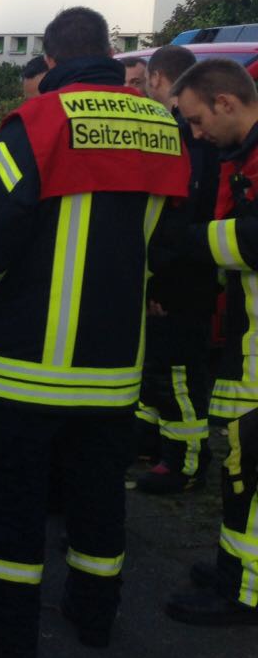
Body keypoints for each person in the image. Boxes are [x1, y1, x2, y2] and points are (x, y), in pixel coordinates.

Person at [0, 7, 190, 658]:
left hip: (25, 364)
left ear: (48, 61)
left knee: (15, 502)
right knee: (99, 500)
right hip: (114, 367)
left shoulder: (38, 124)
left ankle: (5, 625)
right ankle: (94, 613)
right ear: (108, 52)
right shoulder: (161, 125)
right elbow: (170, 246)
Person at [162, 58, 258, 626]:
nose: (195, 135)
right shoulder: (241, 156)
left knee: (252, 471)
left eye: (197, 122)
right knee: (240, 469)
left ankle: (244, 593)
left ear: (225, 103)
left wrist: (187, 241)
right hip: (245, 340)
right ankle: (232, 566)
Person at [136, 45, 218, 494]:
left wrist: (162, 275)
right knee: (163, 372)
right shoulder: (187, 136)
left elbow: (181, 218)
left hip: (184, 281)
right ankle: (155, 445)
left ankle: (186, 463)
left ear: (160, 80)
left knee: (182, 377)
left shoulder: (189, 140)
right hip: (176, 276)